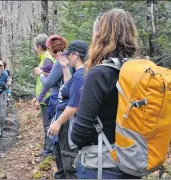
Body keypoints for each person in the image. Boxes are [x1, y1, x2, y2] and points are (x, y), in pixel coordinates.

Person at [71, 8, 140, 179]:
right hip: (133, 160)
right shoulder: (140, 72)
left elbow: (80, 133)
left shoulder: (99, 74)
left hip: (103, 165)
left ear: (99, 36)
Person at [34, 35, 73, 179]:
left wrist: (40, 74)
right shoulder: (68, 58)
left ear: (51, 49)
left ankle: (61, 172)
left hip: (59, 101)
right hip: (66, 101)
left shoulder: (59, 61)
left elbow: (49, 82)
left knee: (58, 136)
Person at [47, 40, 88, 179]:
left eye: (69, 55)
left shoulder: (80, 76)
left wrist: (58, 122)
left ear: (76, 55)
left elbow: (74, 106)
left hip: (69, 123)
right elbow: (68, 88)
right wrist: (64, 67)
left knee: (69, 161)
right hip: (65, 120)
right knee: (62, 155)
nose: (67, 57)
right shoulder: (78, 74)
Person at [31, 34, 55, 158]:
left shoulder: (47, 59)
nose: (35, 49)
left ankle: (49, 152)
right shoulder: (44, 58)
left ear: (40, 46)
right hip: (44, 98)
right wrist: (36, 97)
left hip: (48, 98)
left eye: (35, 46)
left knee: (48, 125)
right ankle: (47, 149)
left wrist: (39, 99)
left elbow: (48, 83)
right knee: (46, 125)